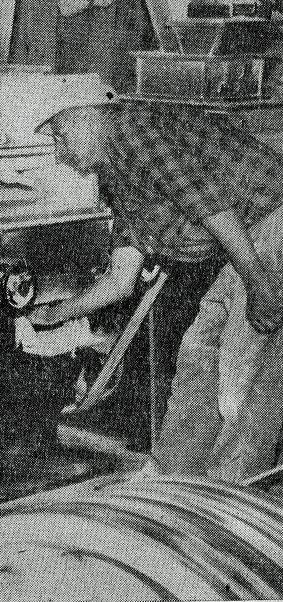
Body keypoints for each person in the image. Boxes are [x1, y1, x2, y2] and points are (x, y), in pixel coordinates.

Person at [28, 100, 283, 484]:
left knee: (242, 372)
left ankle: (234, 497)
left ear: (85, 120)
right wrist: (54, 314)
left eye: (61, 139)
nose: (61, 156)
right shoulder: (117, 177)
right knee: (198, 352)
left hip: (268, 221)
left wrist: (259, 282)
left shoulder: (131, 130)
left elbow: (210, 203)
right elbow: (121, 280)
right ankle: (173, 479)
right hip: (244, 239)